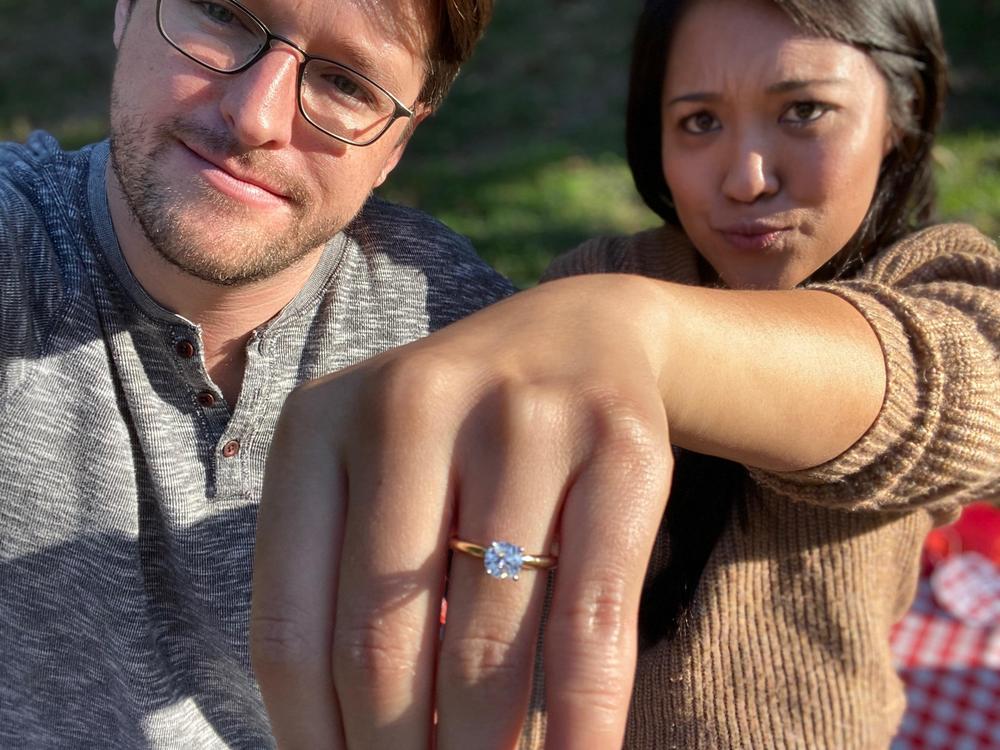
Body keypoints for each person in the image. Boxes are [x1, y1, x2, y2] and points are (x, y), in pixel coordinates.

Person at [251, 0, 1000, 747]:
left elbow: (961, 385)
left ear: (900, 114)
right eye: (699, 121)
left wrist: (632, 329)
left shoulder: (939, 280)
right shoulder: (601, 274)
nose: (746, 178)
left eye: (803, 111)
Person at [0, 0, 511, 746]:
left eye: (347, 84)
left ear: (397, 144)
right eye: (222, 14)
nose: (254, 117)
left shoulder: (464, 339)